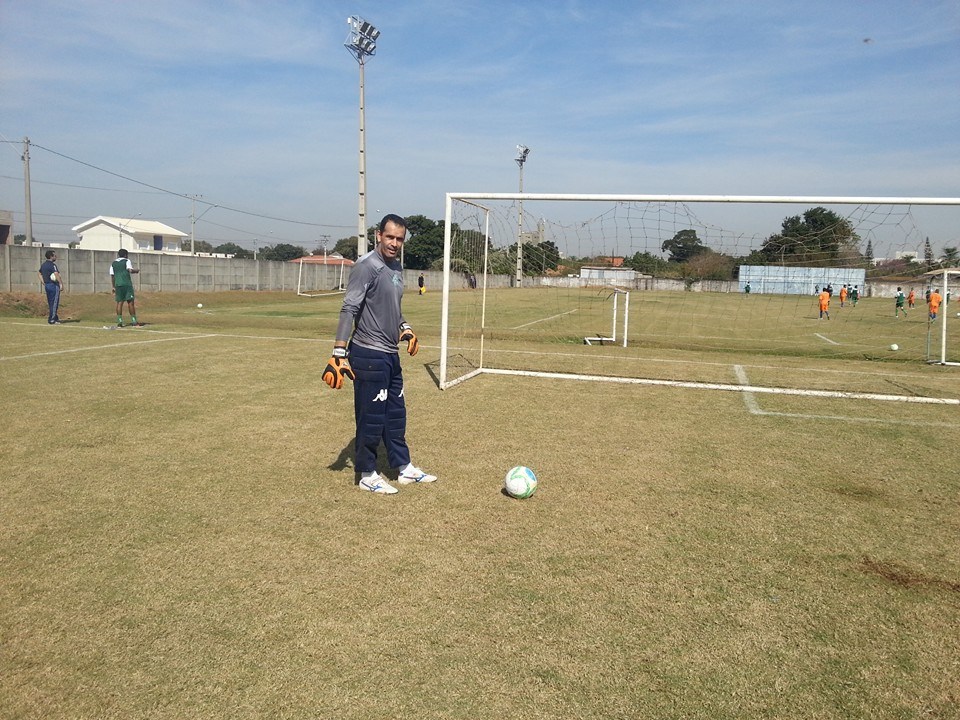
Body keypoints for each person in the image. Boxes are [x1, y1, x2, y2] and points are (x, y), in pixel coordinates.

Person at [322, 214, 437, 495]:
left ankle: (404, 468)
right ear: (378, 235)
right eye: (390, 237)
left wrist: (405, 328)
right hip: (368, 353)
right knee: (371, 417)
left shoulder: (396, 266)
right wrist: (339, 353)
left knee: (395, 414)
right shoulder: (366, 266)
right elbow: (349, 308)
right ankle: (367, 474)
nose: (394, 243)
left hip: (390, 354)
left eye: (399, 239)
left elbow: (392, 308)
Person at [110, 248, 143, 327]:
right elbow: (130, 270)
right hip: (126, 284)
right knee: (130, 302)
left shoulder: (113, 263)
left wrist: (113, 286)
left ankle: (120, 322)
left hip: (118, 285)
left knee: (119, 303)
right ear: (125, 255)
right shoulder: (127, 261)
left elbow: (112, 276)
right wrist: (136, 271)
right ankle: (134, 321)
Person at [37, 249, 62, 324]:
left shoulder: (43, 265)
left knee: (51, 302)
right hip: (53, 285)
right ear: (51, 256)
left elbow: (39, 274)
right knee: (54, 303)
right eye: (54, 255)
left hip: (47, 285)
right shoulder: (52, 265)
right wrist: (60, 284)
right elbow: (56, 274)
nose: (56, 257)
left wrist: (43, 282)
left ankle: (55, 318)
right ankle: (52, 319)